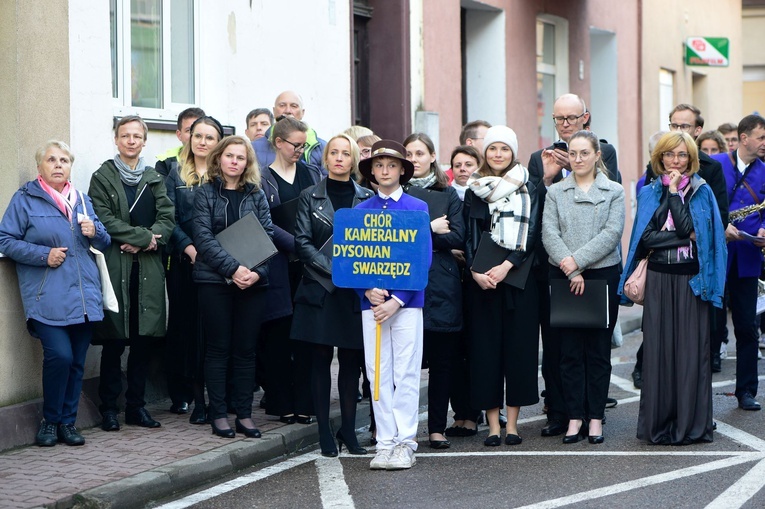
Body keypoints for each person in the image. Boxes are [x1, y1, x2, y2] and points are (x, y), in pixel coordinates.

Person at [0, 141, 110, 447]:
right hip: (46, 295)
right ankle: (50, 421)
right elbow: (5, 240)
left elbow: (104, 242)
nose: (59, 165)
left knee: (76, 361)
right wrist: (43, 255)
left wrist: (96, 233)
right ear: (40, 167)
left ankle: (67, 423)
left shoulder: (83, 200)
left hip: (84, 296)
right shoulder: (25, 199)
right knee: (59, 357)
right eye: (52, 159)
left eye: (64, 160)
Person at [619, 131, 726, 444]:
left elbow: (694, 230)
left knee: (691, 355)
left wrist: (677, 194)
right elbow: (646, 239)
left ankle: (690, 425)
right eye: (669, 155)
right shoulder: (650, 192)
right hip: (659, 281)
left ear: (690, 159)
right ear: (660, 158)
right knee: (658, 353)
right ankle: (659, 425)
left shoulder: (702, 192)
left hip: (692, 283)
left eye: (681, 155)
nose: (675, 161)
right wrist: (683, 231)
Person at [527, 93, 620, 438]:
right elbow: (541, 221)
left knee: (595, 348)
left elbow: (612, 228)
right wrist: (549, 177)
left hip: (598, 271)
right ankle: (565, 414)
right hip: (557, 270)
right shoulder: (544, 162)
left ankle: (594, 413)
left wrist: (578, 262)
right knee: (560, 348)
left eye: (571, 118)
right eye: (559, 119)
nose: (565, 124)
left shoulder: (609, 170)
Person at [89, 115, 175, 432]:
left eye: (137, 136)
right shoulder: (102, 176)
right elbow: (104, 220)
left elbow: (167, 219)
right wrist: (142, 238)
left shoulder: (154, 179)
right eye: (125, 135)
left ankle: (136, 408)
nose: (131, 141)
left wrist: (146, 244)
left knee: (142, 343)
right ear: (116, 139)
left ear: (144, 141)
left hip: (148, 269)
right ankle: (109, 409)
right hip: (116, 268)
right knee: (114, 342)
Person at [291, 134, 374, 457]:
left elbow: (374, 244)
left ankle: (349, 431)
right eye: (333, 153)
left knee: (352, 363)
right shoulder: (309, 196)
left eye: (345, 153)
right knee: (320, 360)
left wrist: (353, 275)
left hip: (355, 290)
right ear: (325, 159)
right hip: (320, 288)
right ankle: (324, 431)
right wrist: (335, 271)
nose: (339, 158)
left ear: (353, 160)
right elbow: (302, 243)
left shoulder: (367, 197)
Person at [356, 139, 431, 470]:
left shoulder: (417, 208)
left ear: (402, 170)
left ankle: (405, 441)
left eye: (391, 165)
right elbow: (352, 258)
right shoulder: (360, 212)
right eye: (379, 165)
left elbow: (420, 260)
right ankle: (384, 441)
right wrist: (367, 290)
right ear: (371, 171)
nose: (384, 171)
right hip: (371, 305)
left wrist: (398, 299)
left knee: (406, 370)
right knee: (377, 373)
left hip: (406, 304)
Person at [192, 135, 273, 438]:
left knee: (245, 350)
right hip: (214, 282)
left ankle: (244, 414)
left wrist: (257, 271)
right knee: (218, 349)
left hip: (252, 284)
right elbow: (203, 237)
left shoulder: (257, 194)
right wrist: (234, 269)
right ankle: (219, 415)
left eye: (241, 157)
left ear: (247, 162)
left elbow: (267, 236)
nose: (234, 162)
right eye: (230, 156)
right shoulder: (204, 194)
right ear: (219, 158)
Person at [464, 126, 540, 448]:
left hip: (518, 281)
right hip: (483, 285)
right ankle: (493, 425)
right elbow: (467, 234)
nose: (498, 154)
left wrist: (508, 264)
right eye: (492, 148)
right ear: (485, 152)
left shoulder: (530, 186)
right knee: (486, 353)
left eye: (504, 149)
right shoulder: (474, 189)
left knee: (518, 352)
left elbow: (533, 232)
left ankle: (512, 424)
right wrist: (475, 271)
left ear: (513, 153)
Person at [259, 116, 322, 425]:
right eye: (295, 145)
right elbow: (263, 223)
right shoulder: (262, 179)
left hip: (309, 269)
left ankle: (305, 402)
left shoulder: (311, 173)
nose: (300, 150)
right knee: (279, 336)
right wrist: (298, 244)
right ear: (278, 143)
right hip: (279, 266)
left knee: (306, 337)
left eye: (304, 145)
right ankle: (282, 402)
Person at [403, 133, 465, 449]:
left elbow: (457, 237)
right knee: (405, 364)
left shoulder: (448, 194)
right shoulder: (395, 194)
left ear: (431, 157)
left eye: (419, 153)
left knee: (442, 363)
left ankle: (437, 428)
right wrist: (428, 229)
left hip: (441, 285)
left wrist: (417, 237)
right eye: (409, 153)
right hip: (404, 285)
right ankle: (403, 428)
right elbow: (394, 239)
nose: (414, 158)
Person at [164, 116, 224, 424]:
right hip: (185, 264)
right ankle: (187, 396)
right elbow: (168, 219)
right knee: (185, 331)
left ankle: (214, 400)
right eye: (197, 135)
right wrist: (189, 248)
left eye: (209, 137)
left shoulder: (223, 175)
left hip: (219, 266)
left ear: (218, 143)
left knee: (212, 333)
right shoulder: (174, 174)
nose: (201, 141)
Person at [710, 114, 765, 411]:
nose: (764, 143)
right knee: (709, 326)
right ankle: (696, 391)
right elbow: (700, 201)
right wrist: (721, 225)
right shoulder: (716, 163)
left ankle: (746, 391)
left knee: (746, 327)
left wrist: (763, 229)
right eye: (761, 137)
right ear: (744, 138)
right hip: (716, 257)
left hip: (747, 257)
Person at [252, 90, 327, 170]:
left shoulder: (322, 148)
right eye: (282, 105)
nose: (288, 111)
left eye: (294, 106)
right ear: (274, 111)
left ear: (302, 112)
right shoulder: (254, 148)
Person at [155, 107, 206, 178]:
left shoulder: (219, 161)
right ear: (179, 135)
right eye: (188, 130)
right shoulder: (165, 163)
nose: (193, 136)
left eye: (198, 131)